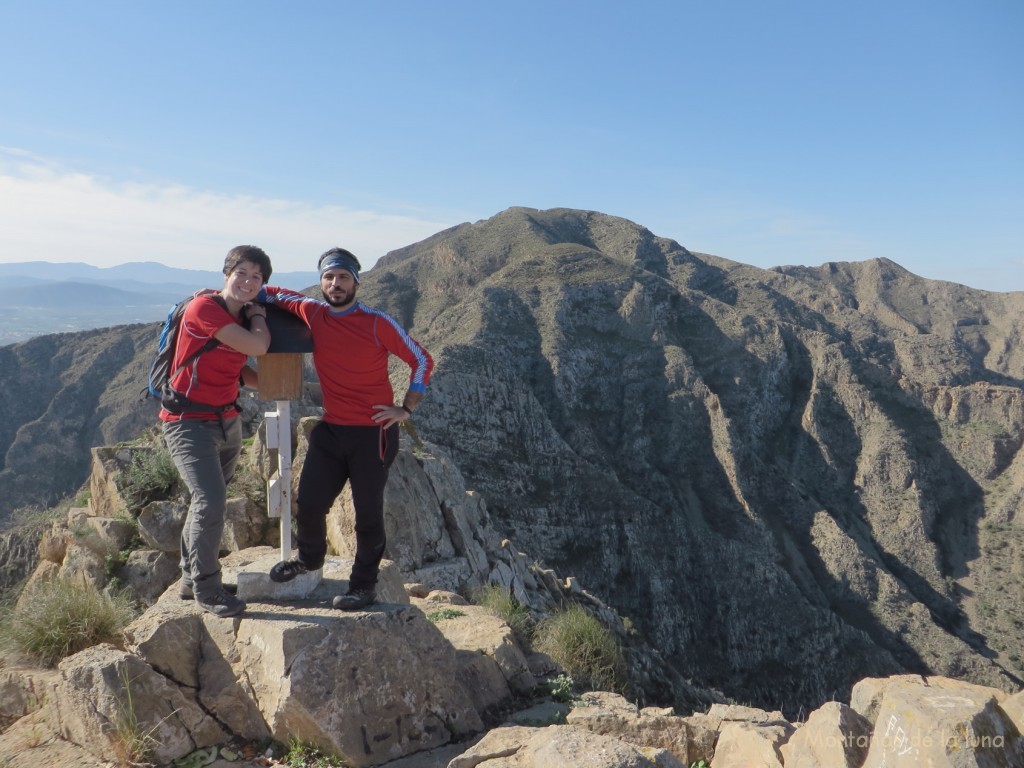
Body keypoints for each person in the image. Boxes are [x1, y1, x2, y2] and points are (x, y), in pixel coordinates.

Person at [263, 247, 434, 610]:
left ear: (356, 281)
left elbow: (421, 359)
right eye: (329, 277)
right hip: (332, 429)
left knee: (367, 514)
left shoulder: (377, 322)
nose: (335, 284)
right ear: (321, 282)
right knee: (309, 502)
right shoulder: (313, 311)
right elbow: (275, 293)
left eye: (343, 277)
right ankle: (309, 558)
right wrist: (220, 295)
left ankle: (363, 586)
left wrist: (406, 407)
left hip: (373, 434)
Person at [161, 245, 273, 617]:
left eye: (256, 277)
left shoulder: (238, 319)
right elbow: (257, 344)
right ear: (226, 273)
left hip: (227, 420)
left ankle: (190, 579)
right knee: (211, 501)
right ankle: (207, 589)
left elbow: (238, 370)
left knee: (205, 502)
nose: (247, 281)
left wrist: (288, 385)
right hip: (188, 423)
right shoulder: (204, 309)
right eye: (242, 272)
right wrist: (259, 316)